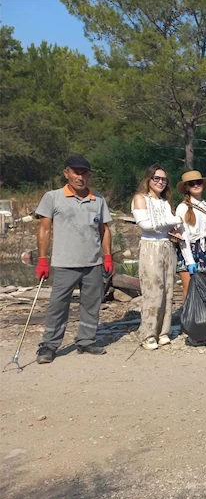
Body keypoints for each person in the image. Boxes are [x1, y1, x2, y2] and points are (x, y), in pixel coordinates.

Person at [35, 155, 114, 364]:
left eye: (84, 173)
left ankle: (86, 340)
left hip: (93, 263)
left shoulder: (98, 200)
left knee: (91, 304)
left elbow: (104, 229)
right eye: (76, 172)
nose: (80, 177)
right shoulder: (53, 197)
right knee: (58, 305)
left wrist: (107, 256)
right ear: (66, 173)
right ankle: (49, 345)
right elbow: (44, 229)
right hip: (64, 263)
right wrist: (42, 259)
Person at [132, 165, 183, 351]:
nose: (160, 182)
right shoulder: (140, 198)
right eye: (156, 178)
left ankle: (163, 331)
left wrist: (175, 231)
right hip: (150, 246)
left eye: (163, 179)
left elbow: (167, 226)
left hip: (167, 246)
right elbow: (146, 224)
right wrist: (175, 220)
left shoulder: (165, 202)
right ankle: (148, 333)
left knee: (168, 289)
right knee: (153, 290)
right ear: (148, 179)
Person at [175, 170, 206, 302]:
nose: (196, 185)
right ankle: (188, 319)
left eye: (198, 182)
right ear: (186, 187)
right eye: (192, 184)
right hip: (188, 248)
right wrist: (189, 260)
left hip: (205, 249)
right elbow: (183, 235)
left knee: (204, 289)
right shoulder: (182, 207)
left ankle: (203, 319)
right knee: (188, 289)